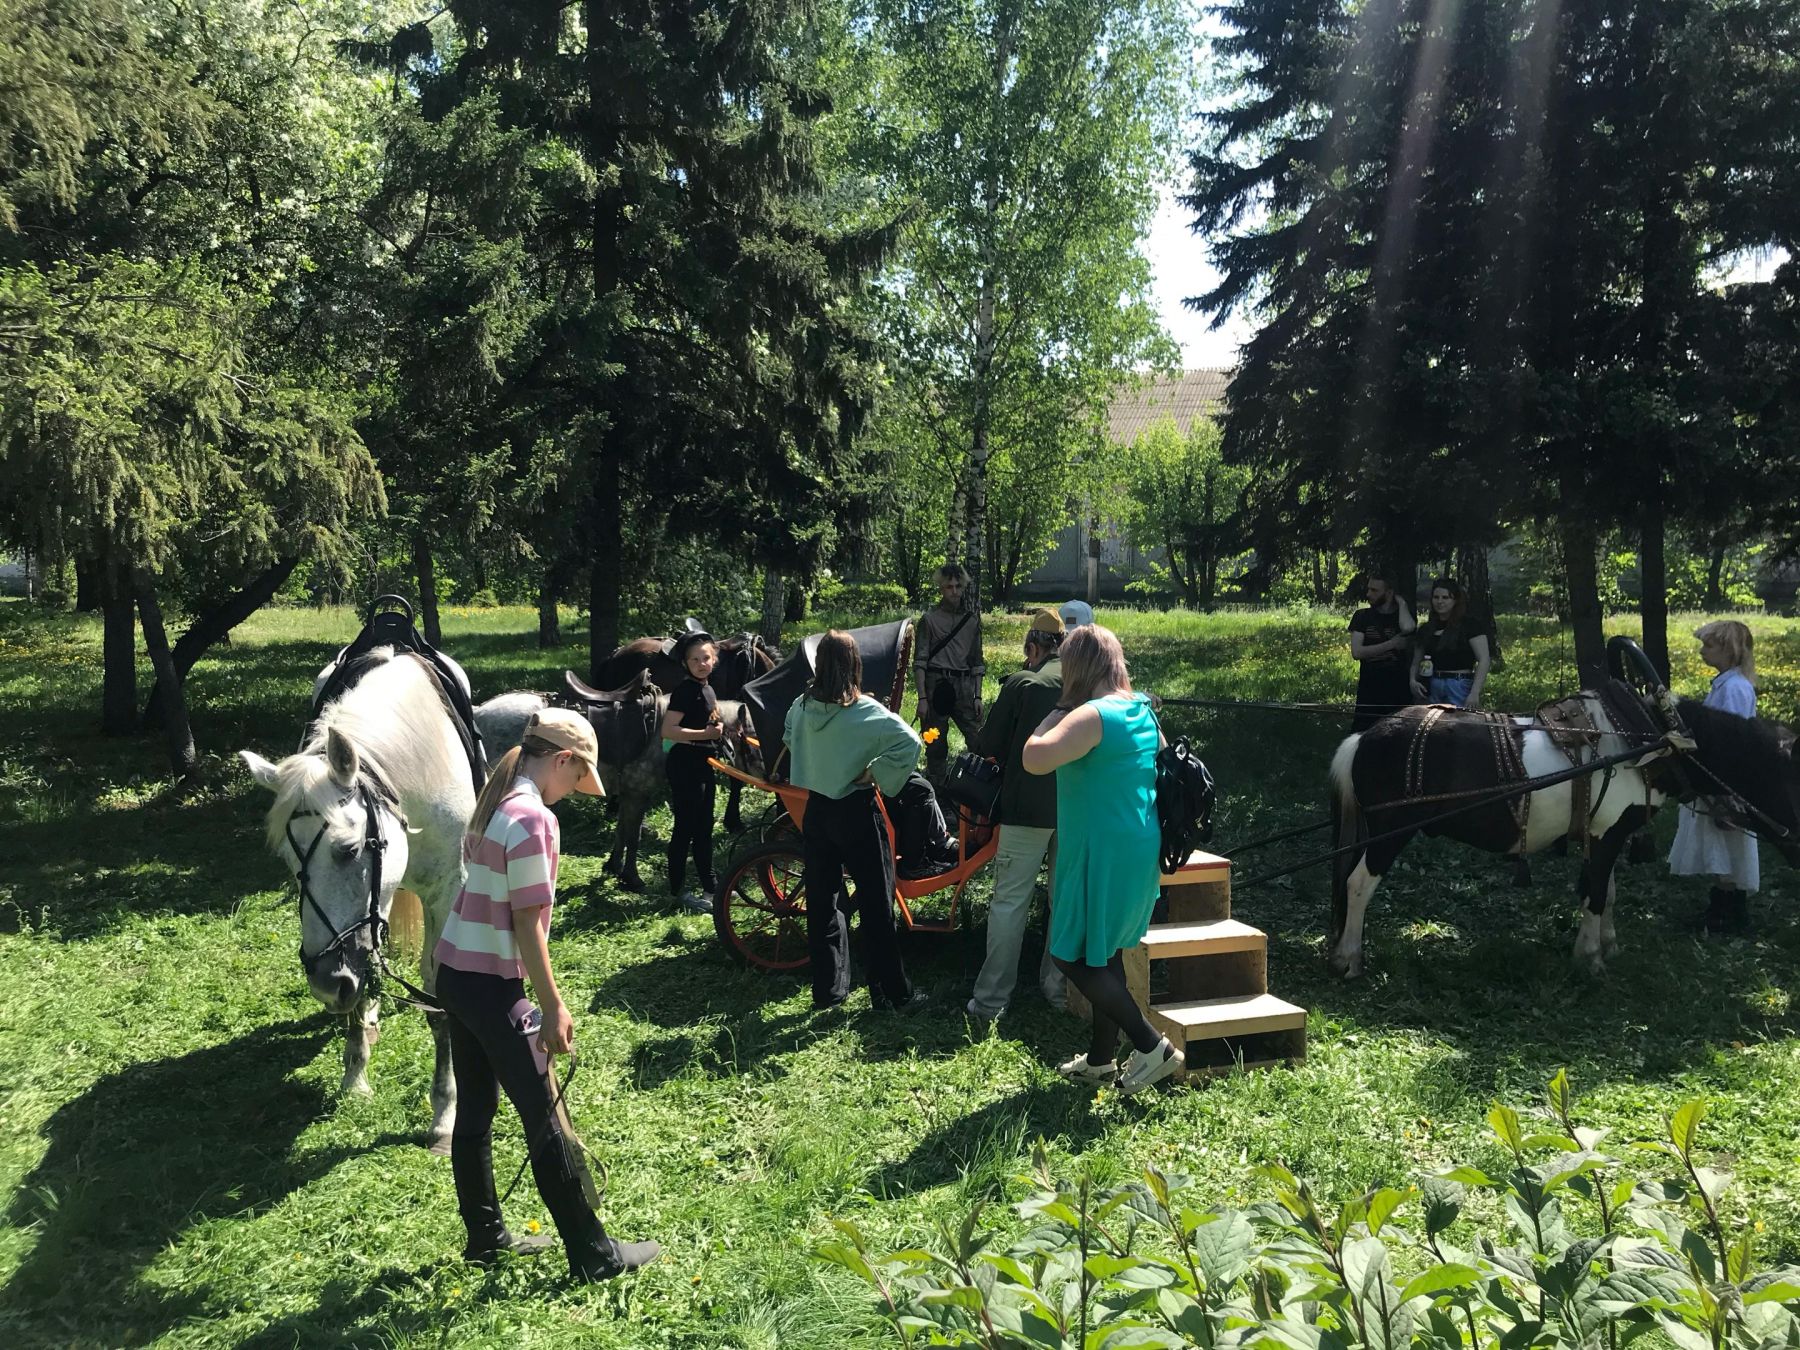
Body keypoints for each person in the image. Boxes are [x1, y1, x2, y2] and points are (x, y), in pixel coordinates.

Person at [434, 708, 660, 1282]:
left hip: (456, 973)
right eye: (577, 777)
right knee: (545, 1118)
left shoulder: (498, 803)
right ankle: (596, 1256)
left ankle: (485, 1239)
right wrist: (553, 1005)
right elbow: (527, 923)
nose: (574, 791)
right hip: (492, 985)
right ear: (562, 759)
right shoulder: (534, 819)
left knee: (475, 1112)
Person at [1022, 625, 1183, 1096]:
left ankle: (1151, 1046)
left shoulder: (1091, 716)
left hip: (1100, 851)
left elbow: (1033, 758)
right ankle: (1100, 1061)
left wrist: (1059, 707)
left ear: (1076, 668)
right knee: (1104, 951)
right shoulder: (1142, 710)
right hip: (1138, 845)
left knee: (1069, 954)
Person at [786, 630, 931, 1012]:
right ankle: (891, 993)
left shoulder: (801, 706)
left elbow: (787, 737)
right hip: (855, 812)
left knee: (822, 904)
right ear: (855, 665)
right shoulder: (865, 711)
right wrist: (873, 772)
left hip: (817, 812)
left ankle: (829, 991)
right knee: (876, 903)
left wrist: (817, 761)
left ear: (819, 665)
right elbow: (911, 742)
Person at [966, 608, 1069, 1023]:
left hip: (1025, 808)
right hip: (1075, 809)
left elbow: (988, 744)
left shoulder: (1023, 682)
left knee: (1010, 902)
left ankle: (991, 1001)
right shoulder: (1086, 682)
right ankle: (1059, 990)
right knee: (1065, 900)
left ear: (1033, 647)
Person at [1669, 620, 1760, 935]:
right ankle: (1725, 908)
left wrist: (1724, 790)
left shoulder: (1734, 689)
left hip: (1726, 779)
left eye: (1709, 646)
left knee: (1726, 844)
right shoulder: (1725, 685)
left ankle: (1727, 914)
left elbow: (1731, 738)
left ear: (1728, 649)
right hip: (1721, 775)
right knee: (1720, 844)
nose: (1702, 651)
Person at [660, 630, 722, 915]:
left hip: (703, 763)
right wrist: (705, 734)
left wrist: (717, 730)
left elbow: (708, 721)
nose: (701, 664)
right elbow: (668, 730)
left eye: (705, 658)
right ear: (685, 663)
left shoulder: (707, 688)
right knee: (686, 827)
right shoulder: (686, 691)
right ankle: (677, 890)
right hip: (685, 765)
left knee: (704, 827)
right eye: (694, 659)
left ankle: (711, 887)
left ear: (714, 659)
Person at [915, 563, 985, 780]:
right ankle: (936, 787)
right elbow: (920, 662)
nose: (954, 591)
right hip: (935, 686)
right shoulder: (929, 620)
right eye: (949, 587)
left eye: (958, 586)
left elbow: (977, 661)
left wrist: (978, 696)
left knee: (979, 740)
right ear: (941, 588)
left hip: (964, 686)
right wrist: (922, 699)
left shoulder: (972, 621)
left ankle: (980, 785)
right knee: (934, 743)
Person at [1410, 577, 1490, 709]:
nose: (1440, 601)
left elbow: (1484, 659)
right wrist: (1412, 680)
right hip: (1431, 684)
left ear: (1455, 600)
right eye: (1436, 597)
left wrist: (1475, 692)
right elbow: (1416, 661)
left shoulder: (1470, 625)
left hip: (1459, 684)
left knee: (1459, 721)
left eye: (1445, 597)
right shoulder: (1426, 629)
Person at [1349, 572, 1415, 731]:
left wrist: (1402, 603)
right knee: (1363, 733)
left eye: (1374, 590)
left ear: (1389, 593)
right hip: (1370, 687)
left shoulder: (1401, 617)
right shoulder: (1362, 616)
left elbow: (1408, 628)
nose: (1368, 594)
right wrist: (1391, 644)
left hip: (1398, 688)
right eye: (1368, 589)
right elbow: (1357, 652)